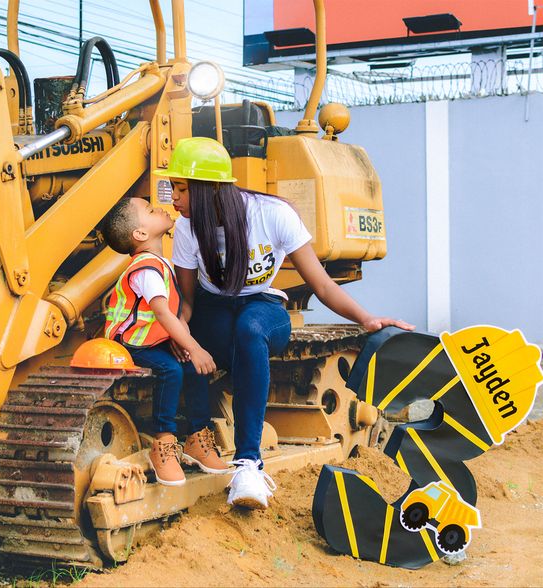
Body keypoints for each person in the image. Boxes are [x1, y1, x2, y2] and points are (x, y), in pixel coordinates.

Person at [154, 137, 414, 509]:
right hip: (216, 312)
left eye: (180, 189)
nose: (173, 199)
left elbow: (321, 285)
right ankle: (196, 435)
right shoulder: (187, 229)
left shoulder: (271, 214)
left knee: (251, 328)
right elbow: (190, 301)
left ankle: (248, 466)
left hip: (262, 309)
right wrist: (181, 335)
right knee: (188, 339)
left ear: (207, 190)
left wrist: (366, 318)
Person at [101, 196, 231, 487]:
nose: (158, 206)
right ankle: (163, 444)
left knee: (190, 369)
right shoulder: (146, 267)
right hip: (131, 343)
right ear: (140, 234)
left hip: (151, 340)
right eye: (149, 209)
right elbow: (161, 311)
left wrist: (183, 346)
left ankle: (198, 437)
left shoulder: (159, 263)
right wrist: (194, 347)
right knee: (171, 370)